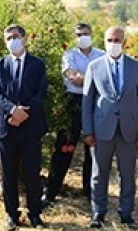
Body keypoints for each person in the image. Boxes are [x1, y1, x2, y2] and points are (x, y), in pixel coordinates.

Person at [82, 26, 138, 228]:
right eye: (110, 40)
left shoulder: (137, 67)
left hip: (129, 129)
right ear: (104, 41)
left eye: (117, 40)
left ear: (124, 42)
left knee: (127, 173)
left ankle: (126, 213)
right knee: (99, 173)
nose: (113, 44)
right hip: (102, 128)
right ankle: (98, 212)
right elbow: (88, 102)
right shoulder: (94, 67)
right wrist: (87, 130)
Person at [0, 24, 48, 231]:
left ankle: (35, 214)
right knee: (8, 173)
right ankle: (12, 215)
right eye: (8, 38)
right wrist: (12, 110)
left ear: (24, 38)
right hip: (5, 125)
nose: (12, 41)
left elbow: (40, 94)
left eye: (15, 36)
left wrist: (23, 114)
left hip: (31, 127)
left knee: (32, 172)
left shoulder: (37, 64)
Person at [42, 22, 104, 206]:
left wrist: (84, 78)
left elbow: (102, 80)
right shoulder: (69, 55)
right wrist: (92, 79)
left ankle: (90, 192)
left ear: (92, 34)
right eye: (78, 34)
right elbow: (73, 78)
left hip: (95, 103)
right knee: (63, 148)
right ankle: (51, 192)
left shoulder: (102, 55)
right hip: (73, 103)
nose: (82, 37)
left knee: (92, 150)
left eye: (85, 33)